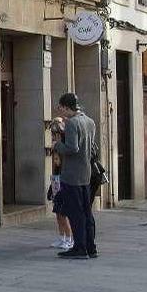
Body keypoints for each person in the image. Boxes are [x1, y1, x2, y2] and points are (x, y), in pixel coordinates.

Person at [52, 92, 98, 259]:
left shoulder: (72, 123)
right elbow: (91, 148)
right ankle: (90, 246)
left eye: (61, 107)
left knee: (75, 212)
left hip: (72, 175)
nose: (61, 111)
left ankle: (79, 247)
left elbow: (72, 148)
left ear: (66, 106)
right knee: (87, 211)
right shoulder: (89, 121)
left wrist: (57, 145)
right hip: (86, 173)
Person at [48, 148, 73, 250]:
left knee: (64, 218)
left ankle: (69, 239)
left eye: (57, 159)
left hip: (64, 197)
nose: (55, 161)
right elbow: (53, 182)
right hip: (57, 197)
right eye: (54, 159)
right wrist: (50, 192)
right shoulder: (57, 170)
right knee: (58, 218)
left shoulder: (66, 171)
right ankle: (61, 238)